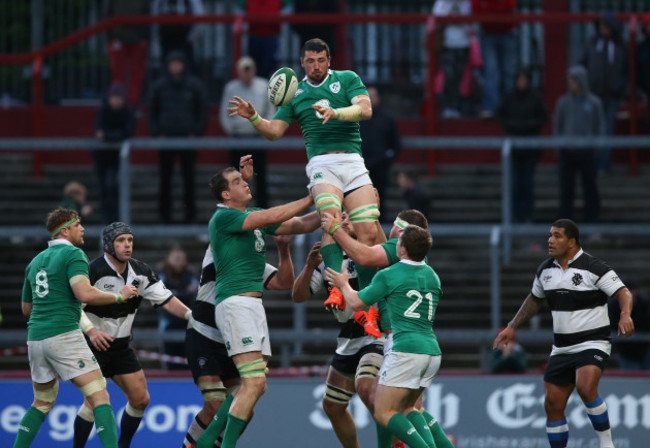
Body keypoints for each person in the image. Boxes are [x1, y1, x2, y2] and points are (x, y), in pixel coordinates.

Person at [227, 37, 381, 336]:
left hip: (353, 160)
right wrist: (255, 117)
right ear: (302, 63)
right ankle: (339, 290)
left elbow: (365, 110)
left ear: (329, 59)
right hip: (322, 163)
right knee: (330, 218)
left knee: (368, 233)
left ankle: (366, 306)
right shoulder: (296, 92)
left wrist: (338, 113)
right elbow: (274, 132)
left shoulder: (348, 79)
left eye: (321, 60)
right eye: (310, 61)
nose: (316, 66)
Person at [194, 161, 320, 448]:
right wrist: (310, 197)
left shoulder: (249, 217)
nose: (245, 182)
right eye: (237, 181)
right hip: (236, 303)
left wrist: (333, 204)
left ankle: (208, 441)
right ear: (225, 195)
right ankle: (222, 444)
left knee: (254, 385)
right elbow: (272, 215)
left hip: (252, 306)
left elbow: (302, 224)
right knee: (254, 384)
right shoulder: (223, 218)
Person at [493, 218, 634, 448]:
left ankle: (607, 444)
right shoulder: (545, 270)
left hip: (593, 342)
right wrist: (512, 326)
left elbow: (623, 292)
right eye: (550, 235)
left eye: (557, 235)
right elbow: (534, 300)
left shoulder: (594, 267)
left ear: (571, 242)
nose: (550, 240)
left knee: (586, 387)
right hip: (561, 347)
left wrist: (625, 314)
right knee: (552, 403)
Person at [321, 209, 455, 448]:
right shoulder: (432, 276)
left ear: (401, 245)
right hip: (431, 350)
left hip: (403, 346)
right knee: (409, 408)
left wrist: (342, 280)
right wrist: (369, 216)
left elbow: (357, 295)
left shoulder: (390, 274)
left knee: (383, 410)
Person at [15, 208, 138, 448]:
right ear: (65, 229)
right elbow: (84, 292)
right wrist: (119, 296)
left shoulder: (35, 262)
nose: (83, 229)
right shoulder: (73, 254)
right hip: (63, 335)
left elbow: (26, 309)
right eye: (78, 224)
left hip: (36, 339)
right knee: (99, 395)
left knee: (42, 401)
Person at [72, 222, 193, 448]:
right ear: (108, 244)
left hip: (121, 348)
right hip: (92, 346)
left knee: (141, 399)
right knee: (93, 402)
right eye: (121, 241)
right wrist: (92, 331)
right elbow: (73, 308)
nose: (127, 245)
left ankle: (124, 445)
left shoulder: (141, 272)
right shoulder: (92, 270)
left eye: (130, 240)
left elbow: (166, 300)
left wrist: (191, 316)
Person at [182, 235, 293, 448]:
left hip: (234, 338)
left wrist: (283, 248)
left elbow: (284, 282)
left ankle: (209, 445)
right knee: (215, 404)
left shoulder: (252, 261)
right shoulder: (219, 246)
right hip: (204, 333)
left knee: (246, 407)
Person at [292, 213, 386, 448]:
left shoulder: (368, 250)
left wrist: (373, 216)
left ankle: (394, 444)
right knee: (332, 406)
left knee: (367, 389)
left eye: (350, 217)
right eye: (341, 217)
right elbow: (298, 296)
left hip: (375, 333)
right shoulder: (328, 260)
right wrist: (309, 266)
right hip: (348, 338)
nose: (344, 221)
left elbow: (386, 252)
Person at [148, 50, 208, 223]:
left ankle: (190, 215)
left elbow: (202, 111)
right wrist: (157, 132)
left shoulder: (194, 85)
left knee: (188, 178)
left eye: (178, 63)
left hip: (188, 139)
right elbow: (151, 110)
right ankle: (164, 216)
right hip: (166, 138)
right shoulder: (159, 86)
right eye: (172, 63)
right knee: (165, 178)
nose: (175, 66)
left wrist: (196, 133)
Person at [220, 56, 275, 209]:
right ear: (238, 72)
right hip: (238, 138)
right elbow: (224, 112)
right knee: (236, 178)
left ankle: (263, 211)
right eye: (243, 70)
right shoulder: (231, 88)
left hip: (257, 137)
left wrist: (265, 128)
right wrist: (231, 130)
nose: (247, 73)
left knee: (260, 177)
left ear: (254, 70)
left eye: (249, 69)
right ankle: (237, 209)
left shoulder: (263, 85)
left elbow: (270, 110)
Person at [495, 68, 548, 223]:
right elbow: (499, 115)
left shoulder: (536, 97)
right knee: (514, 184)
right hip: (513, 148)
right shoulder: (509, 97)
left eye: (525, 79)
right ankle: (514, 215)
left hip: (530, 148)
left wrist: (529, 126)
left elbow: (544, 117)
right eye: (520, 79)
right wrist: (512, 126)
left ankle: (527, 215)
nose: (522, 83)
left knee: (527, 184)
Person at [554, 66, 605, 223]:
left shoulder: (594, 103)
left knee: (590, 190)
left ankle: (593, 222)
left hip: (587, 153)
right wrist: (559, 147)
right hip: (568, 153)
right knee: (567, 191)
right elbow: (558, 126)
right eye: (569, 81)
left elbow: (600, 126)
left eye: (573, 81)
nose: (571, 84)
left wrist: (596, 147)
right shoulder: (563, 103)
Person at [580, 12, 627, 172]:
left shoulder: (621, 46)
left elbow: (626, 70)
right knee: (592, 129)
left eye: (605, 27)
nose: (602, 30)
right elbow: (582, 65)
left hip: (612, 95)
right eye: (600, 27)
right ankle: (592, 164)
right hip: (594, 95)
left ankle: (603, 164)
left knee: (608, 130)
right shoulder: (592, 44)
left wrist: (621, 87)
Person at [94, 82, 136, 224]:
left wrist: (107, 136)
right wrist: (113, 135)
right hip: (102, 158)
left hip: (119, 158)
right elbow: (98, 131)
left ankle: (118, 219)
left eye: (119, 98)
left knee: (115, 187)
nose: (116, 101)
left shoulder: (128, 112)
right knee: (105, 188)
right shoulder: (102, 110)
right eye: (114, 97)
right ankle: (107, 220)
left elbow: (127, 133)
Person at [360, 86, 402, 220]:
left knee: (379, 200)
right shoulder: (355, 118)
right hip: (359, 169)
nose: (371, 100)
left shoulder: (386, 118)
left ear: (378, 98)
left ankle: (380, 232)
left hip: (380, 168)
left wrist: (387, 159)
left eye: (373, 96)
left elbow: (396, 144)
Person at [471, 0, 518, 118]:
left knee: (509, 72)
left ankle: (510, 108)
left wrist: (488, 7)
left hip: (508, 32)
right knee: (490, 72)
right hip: (487, 33)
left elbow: (509, 6)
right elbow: (476, 9)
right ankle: (490, 108)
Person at [157, 245, 199, 370]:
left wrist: (176, 294)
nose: (179, 262)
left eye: (181, 259)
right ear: (168, 259)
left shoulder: (191, 276)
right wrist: (184, 294)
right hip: (168, 323)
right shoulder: (161, 276)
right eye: (176, 258)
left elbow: (194, 296)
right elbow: (162, 298)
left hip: (189, 324)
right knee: (170, 362)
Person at [103, 0, 150, 105]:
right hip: (119, 39)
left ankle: (132, 104)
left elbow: (147, 16)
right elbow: (108, 15)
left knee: (135, 74)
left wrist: (144, 38)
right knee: (119, 74)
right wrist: (112, 39)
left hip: (137, 39)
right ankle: (119, 104)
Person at [432, 0, 472, 118]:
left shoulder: (466, 3)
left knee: (460, 76)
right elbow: (436, 21)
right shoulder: (442, 3)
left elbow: (471, 22)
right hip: (447, 44)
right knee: (449, 76)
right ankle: (448, 106)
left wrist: (458, 20)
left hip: (463, 44)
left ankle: (458, 106)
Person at [237, 0, 289, 79]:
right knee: (253, 65)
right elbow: (239, 9)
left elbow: (288, 8)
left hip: (271, 36)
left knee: (270, 66)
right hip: (254, 36)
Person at [152, 0, 206, 74]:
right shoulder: (159, 2)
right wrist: (158, 37)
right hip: (166, 41)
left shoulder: (193, 1)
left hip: (184, 41)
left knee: (187, 67)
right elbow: (154, 20)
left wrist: (191, 37)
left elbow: (199, 21)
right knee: (165, 68)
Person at [608, 280, 650, 370]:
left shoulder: (644, 304)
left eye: (632, 290)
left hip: (644, 348)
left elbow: (646, 322)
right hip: (625, 350)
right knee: (633, 376)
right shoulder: (614, 306)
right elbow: (613, 323)